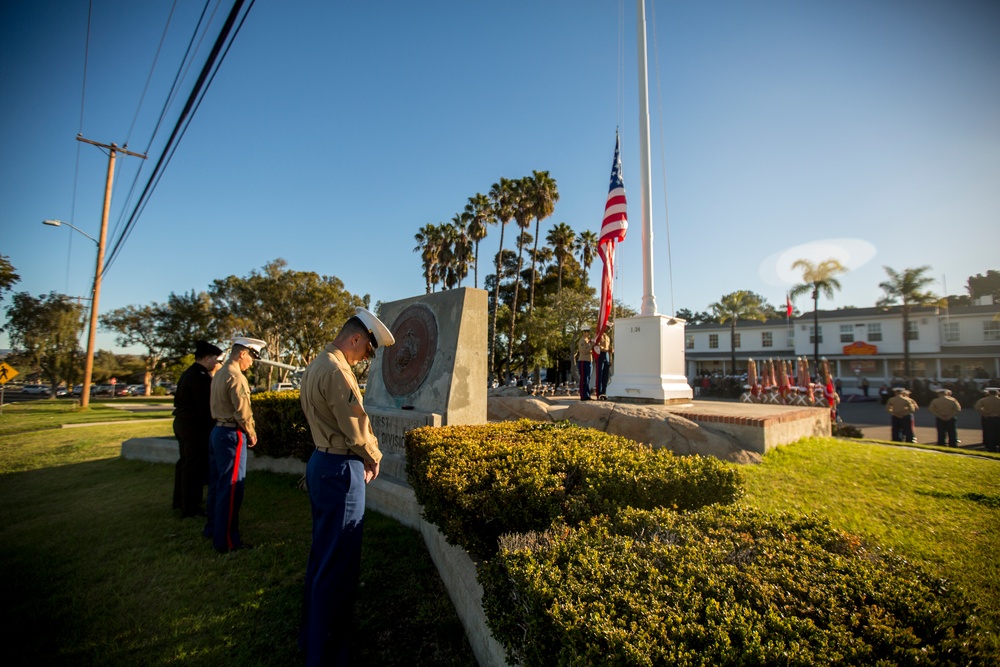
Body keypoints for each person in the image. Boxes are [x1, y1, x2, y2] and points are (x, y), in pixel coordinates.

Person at [298, 307, 395, 667]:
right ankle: (327, 653)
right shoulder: (338, 370)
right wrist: (374, 455)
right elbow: (355, 426)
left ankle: (311, 639)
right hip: (340, 468)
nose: (365, 358)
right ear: (356, 338)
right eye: (367, 350)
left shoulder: (316, 364)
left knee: (322, 555)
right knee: (339, 563)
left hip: (322, 462)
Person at [205, 336, 265, 553]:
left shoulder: (219, 373)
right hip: (231, 434)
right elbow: (242, 411)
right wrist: (251, 432)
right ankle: (227, 541)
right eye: (252, 357)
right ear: (242, 353)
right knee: (231, 489)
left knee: (218, 484)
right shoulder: (236, 377)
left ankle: (212, 528)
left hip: (217, 431)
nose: (251, 363)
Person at [172, 340, 223, 518]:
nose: (218, 364)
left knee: (184, 463)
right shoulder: (200, 377)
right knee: (194, 466)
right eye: (216, 360)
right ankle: (190, 508)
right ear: (207, 358)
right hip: (194, 427)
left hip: (183, 423)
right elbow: (206, 408)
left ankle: (180, 500)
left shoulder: (190, 373)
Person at [974, 387, 1000, 453]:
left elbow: (977, 407)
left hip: (989, 417)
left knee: (990, 434)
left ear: (988, 393)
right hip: (998, 417)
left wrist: (984, 412)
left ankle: (991, 448)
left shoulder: (984, 400)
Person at [575, 327, 593, 401]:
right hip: (583, 361)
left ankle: (587, 395)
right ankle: (583, 396)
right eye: (587, 332)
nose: (588, 333)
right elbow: (584, 351)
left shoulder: (588, 341)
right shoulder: (582, 341)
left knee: (588, 379)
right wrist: (592, 346)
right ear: (583, 332)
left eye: (589, 332)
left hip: (589, 361)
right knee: (584, 379)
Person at [595, 327, 613, 399]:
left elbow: (609, 349)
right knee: (600, 375)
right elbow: (597, 346)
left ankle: (604, 392)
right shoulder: (599, 336)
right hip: (601, 355)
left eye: (609, 328)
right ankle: (599, 393)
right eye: (607, 327)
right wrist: (606, 349)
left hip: (607, 356)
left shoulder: (608, 337)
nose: (608, 329)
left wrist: (611, 353)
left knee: (606, 376)